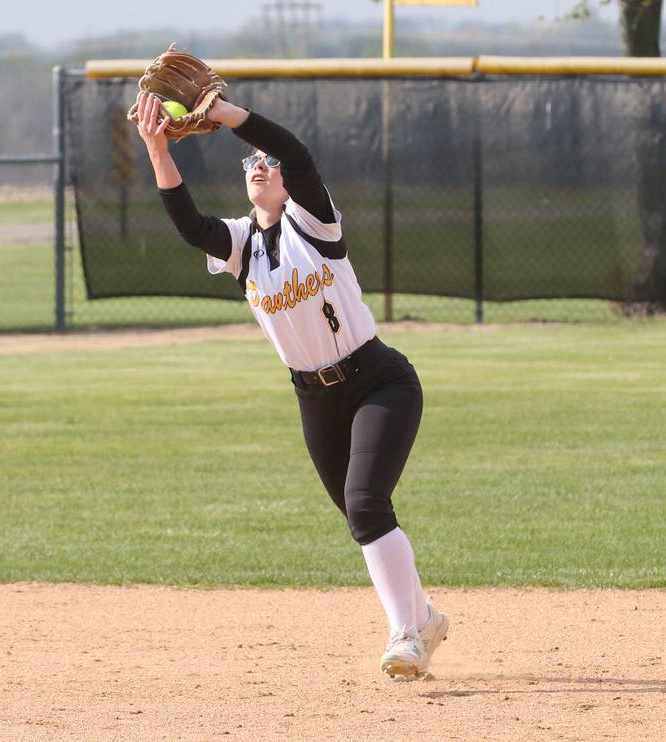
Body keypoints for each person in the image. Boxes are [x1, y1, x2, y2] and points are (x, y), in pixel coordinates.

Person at [134, 91, 448, 679]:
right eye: (251, 163)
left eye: (267, 162)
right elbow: (188, 224)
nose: (261, 165)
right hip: (315, 398)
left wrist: (228, 116)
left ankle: (407, 633)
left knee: (365, 503)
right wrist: (156, 146)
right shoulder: (243, 245)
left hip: (378, 380)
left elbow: (296, 155)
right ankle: (424, 617)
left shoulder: (314, 223)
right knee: (363, 518)